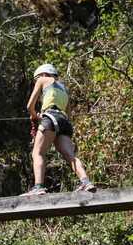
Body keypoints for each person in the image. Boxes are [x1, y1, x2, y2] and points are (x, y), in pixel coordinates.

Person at [23, 63, 95, 196]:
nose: (36, 81)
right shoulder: (65, 88)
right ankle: (85, 182)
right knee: (70, 156)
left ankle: (38, 187)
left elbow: (29, 106)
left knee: (37, 153)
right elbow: (68, 113)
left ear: (42, 74)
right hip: (64, 121)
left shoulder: (42, 79)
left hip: (50, 117)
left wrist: (35, 116)